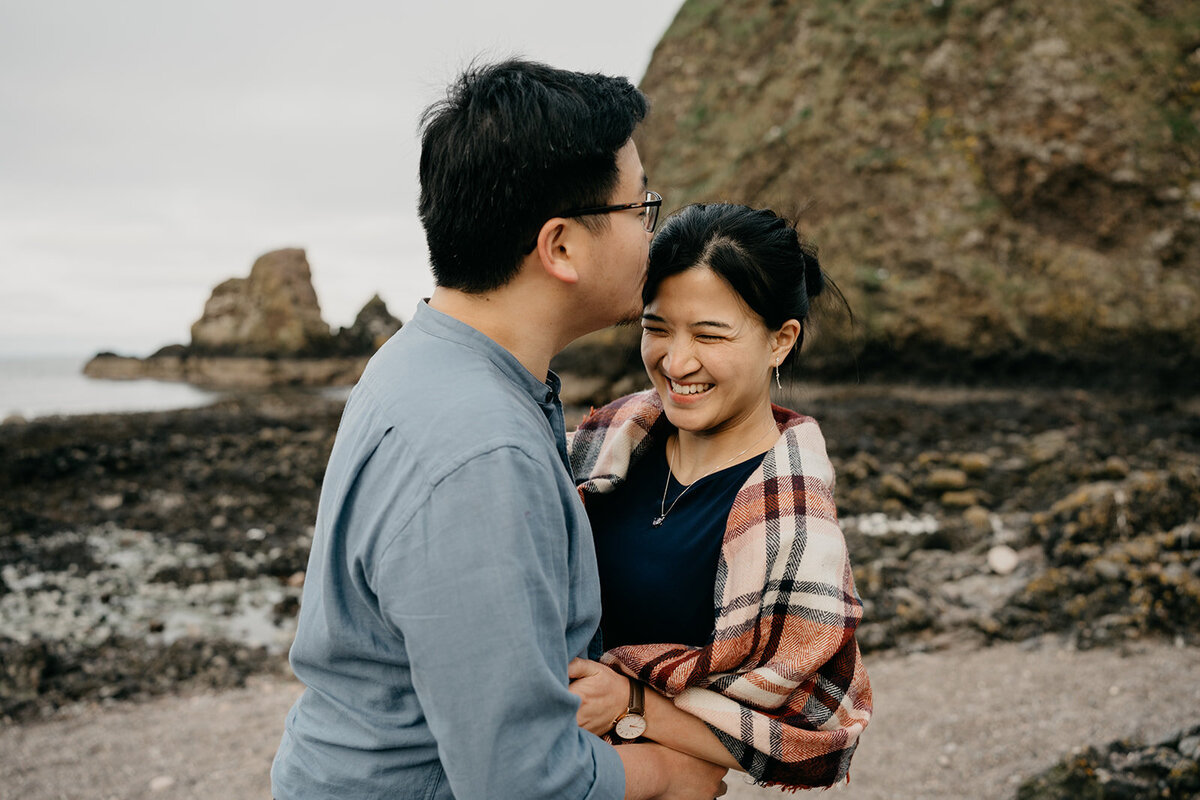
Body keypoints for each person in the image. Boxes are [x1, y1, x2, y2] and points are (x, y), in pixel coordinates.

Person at [271, 60, 728, 800]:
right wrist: (675, 772)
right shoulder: (481, 451)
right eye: (640, 205)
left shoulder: (421, 357)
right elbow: (521, 782)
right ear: (561, 247)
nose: (654, 229)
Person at [567, 203, 873, 791]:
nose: (676, 361)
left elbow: (812, 736)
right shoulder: (600, 446)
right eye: (656, 328)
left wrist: (633, 702)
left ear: (781, 341)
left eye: (710, 335)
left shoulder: (794, 522)